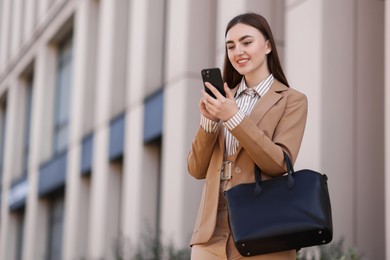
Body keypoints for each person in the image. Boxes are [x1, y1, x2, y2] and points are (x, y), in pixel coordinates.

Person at [187, 13, 308, 259]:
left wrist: (234, 118)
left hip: (264, 232)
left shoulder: (291, 100)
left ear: (268, 45)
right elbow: (197, 169)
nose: (237, 51)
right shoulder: (224, 99)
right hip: (210, 237)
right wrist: (210, 122)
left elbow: (278, 163)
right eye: (230, 46)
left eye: (246, 42)